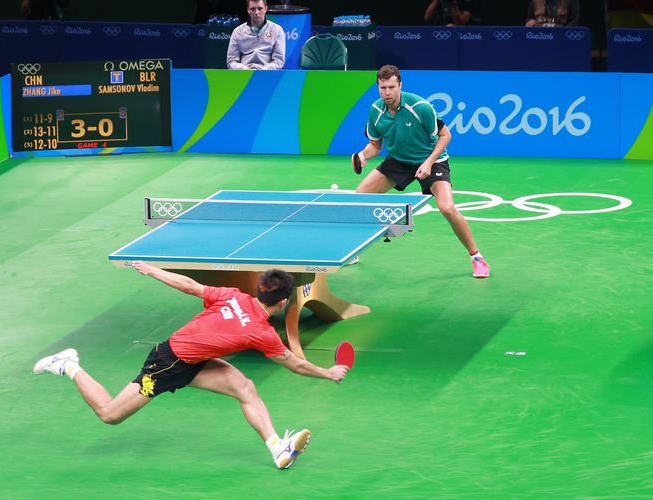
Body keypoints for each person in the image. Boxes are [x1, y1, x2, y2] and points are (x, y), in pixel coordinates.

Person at [33, 262, 349, 469]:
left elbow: (189, 285)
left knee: (245, 388)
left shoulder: (232, 295)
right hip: (166, 365)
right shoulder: (261, 332)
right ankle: (69, 365)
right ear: (282, 302)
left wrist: (152, 269)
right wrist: (328, 372)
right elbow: (294, 364)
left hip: (194, 360)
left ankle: (277, 447)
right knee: (110, 414)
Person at [352, 65, 490, 279]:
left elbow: (446, 136)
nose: (387, 93)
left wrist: (428, 163)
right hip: (398, 160)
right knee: (358, 200)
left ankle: (477, 258)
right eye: (382, 88)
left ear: (400, 86)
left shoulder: (420, 107)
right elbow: (375, 146)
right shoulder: (376, 111)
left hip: (432, 161)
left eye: (391, 87)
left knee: (446, 207)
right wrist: (362, 156)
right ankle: (358, 248)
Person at [227, 0, 286, 70]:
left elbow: (279, 61)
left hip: (268, 73)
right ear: (248, 10)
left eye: (260, 8)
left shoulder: (277, 30)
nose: (257, 12)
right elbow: (231, 62)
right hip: (244, 74)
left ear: (266, 9)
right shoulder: (238, 32)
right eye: (253, 9)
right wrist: (244, 69)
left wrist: (265, 69)